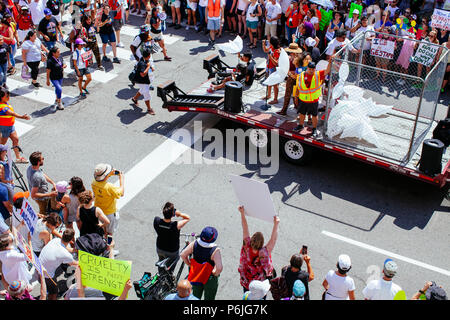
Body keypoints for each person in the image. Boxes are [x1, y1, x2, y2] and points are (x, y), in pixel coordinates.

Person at [238, 205, 279, 295]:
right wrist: (276, 224)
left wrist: (242, 213)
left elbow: (245, 227)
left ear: (251, 239)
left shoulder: (246, 245)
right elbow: (273, 239)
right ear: (262, 244)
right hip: (260, 285)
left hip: (246, 281)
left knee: (247, 296)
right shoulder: (264, 252)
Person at [293, 57, 334, 136]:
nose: (311, 71)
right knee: (302, 114)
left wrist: (329, 62)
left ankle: (314, 129)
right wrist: (296, 97)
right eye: (310, 69)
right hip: (303, 100)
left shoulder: (318, 74)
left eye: (313, 69)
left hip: (313, 100)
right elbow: (298, 87)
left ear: (315, 69)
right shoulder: (301, 75)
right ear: (307, 68)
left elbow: (327, 70)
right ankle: (300, 125)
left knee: (314, 116)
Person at [180, 226, 223, 300]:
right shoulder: (215, 250)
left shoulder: (195, 243)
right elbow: (219, 268)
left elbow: (183, 254)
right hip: (209, 277)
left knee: (195, 295)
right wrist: (214, 273)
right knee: (209, 297)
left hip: (197, 274)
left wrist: (189, 264)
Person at [91, 163, 124, 256]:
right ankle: (108, 250)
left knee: (102, 231)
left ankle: (103, 247)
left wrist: (110, 174)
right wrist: (121, 178)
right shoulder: (109, 186)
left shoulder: (94, 182)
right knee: (109, 233)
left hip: (98, 211)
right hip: (109, 213)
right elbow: (121, 193)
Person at [39, 228, 78, 300]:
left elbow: (65, 249)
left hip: (39, 267)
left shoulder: (55, 240)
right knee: (54, 292)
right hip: (47, 275)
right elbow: (75, 264)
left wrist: (76, 250)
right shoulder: (65, 254)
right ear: (71, 240)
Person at [153, 201, 190, 268]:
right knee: (169, 269)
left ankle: (160, 275)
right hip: (172, 251)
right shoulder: (176, 225)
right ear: (173, 214)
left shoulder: (156, 220)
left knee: (161, 262)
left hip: (160, 247)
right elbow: (187, 218)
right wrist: (180, 214)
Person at [0, 88, 30, 163]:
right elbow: (11, 113)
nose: (9, 97)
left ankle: (18, 158)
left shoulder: (5, 103)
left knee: (15, 139)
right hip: (5, 128)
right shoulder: (2, 107)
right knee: (2, 144)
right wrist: (22, 117)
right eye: (7, 96)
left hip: (10, 126)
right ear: (1, 97)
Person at [26, 151, 57, 217]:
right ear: (38, 162)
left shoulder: (31, 167)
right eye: (42, 159)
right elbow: (33, 195)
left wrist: (52, 182)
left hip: (44, 195)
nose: (43, 159)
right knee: (43, 214)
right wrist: (50, 194)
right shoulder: (36, 177)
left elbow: (42, 174)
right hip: (41, 199)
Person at [277, 42, 302, 115]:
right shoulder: (289, 58)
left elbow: (299, 70)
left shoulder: (300, 59)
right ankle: (284, 110)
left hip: (296, 78)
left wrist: (289, 72)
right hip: (290, 78)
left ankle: (297, 108)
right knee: (288, 95)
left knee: (296, 95)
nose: (290, 53)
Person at [131, 48, 156, 115]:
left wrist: (150, 67)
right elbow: (142, 74)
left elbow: (150, 68)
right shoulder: (142, 63)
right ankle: (149, 109)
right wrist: (148, 67)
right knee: (147, 95)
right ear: (149, 56)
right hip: (143, 81)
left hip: (144, 81)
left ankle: (134, 98)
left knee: (142, 90)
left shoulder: (144, 59)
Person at [46, 46, 66, 110]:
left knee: (57, 89)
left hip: (60, 76)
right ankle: (59, 103)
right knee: (59, 89)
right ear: (53, 53)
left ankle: (57, 98)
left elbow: (63, 63)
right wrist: (47, 80)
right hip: (54, 78)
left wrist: (64, 66)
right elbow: (48, 71)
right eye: (58, 52)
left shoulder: (60, 57)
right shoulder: (50, 61)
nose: (59, 53)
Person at [262, 36, 280, 105]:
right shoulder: (272, 47)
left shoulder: (277, 51)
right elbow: (266, 50)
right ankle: (269, 95)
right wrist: (263, 44)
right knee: (269, 81)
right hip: (269, 66)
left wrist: (270, 56)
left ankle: (275, 99)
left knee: (275, 84)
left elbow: (276, 63)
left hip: (274, 69)